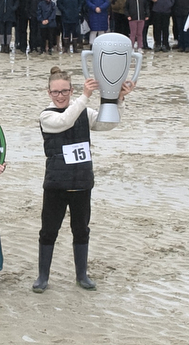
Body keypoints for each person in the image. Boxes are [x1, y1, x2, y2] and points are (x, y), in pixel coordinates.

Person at [34, 67, 132, 293]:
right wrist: (85, 96)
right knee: (48, 230)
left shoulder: (83, 112)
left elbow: (107, 124)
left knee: (81, 229)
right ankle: (42, 276)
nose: (60, 96)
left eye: (65, 91)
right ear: (48, 92)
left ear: (71, 90)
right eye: (56, 92)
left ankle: (82, 275)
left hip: (81, 181)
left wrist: (119, 100)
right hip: (56, 183)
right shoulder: (46, 116)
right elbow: (65, 121)